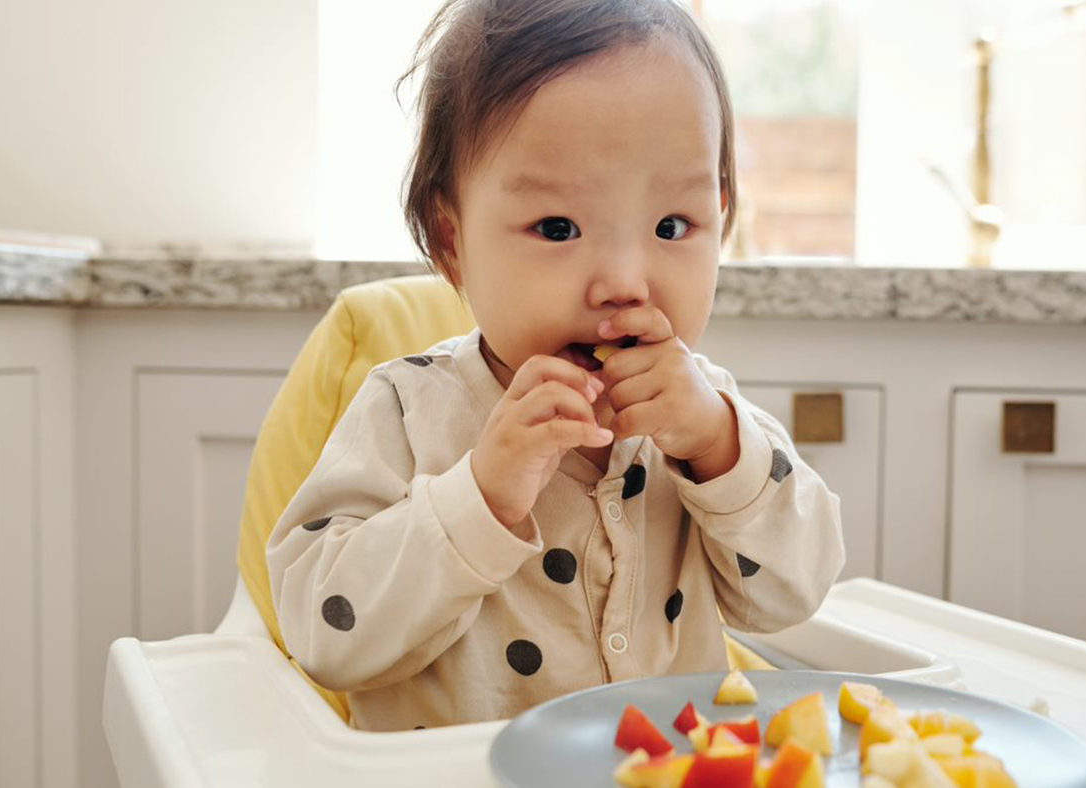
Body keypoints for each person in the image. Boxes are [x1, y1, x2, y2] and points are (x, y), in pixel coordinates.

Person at [267, 0, 844, 730]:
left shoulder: (708, 419)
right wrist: (482, 496)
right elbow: (324, 636)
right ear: (453, 242)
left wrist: (720, 452)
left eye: (672, 225)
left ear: (720, 217)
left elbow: (798, 593)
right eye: (557, 228)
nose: (624, 282)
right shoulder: (406, 411)